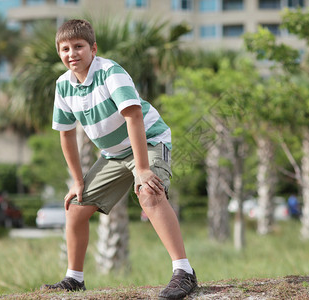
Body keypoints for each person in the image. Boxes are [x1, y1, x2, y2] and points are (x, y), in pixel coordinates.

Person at [42, 19, 197, 299]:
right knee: (76, 206)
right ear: (59, 52)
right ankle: (74, 279)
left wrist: (142, 169)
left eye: (78, 46)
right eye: (65, 49)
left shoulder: (110, 72)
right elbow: (66, 135)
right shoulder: (63, 86)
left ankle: (184, 271)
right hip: (113, 154)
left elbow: (134, 116)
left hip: (149, 141)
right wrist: (77, 181)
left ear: (93, 48)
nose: (72, 54)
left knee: (149, 192)